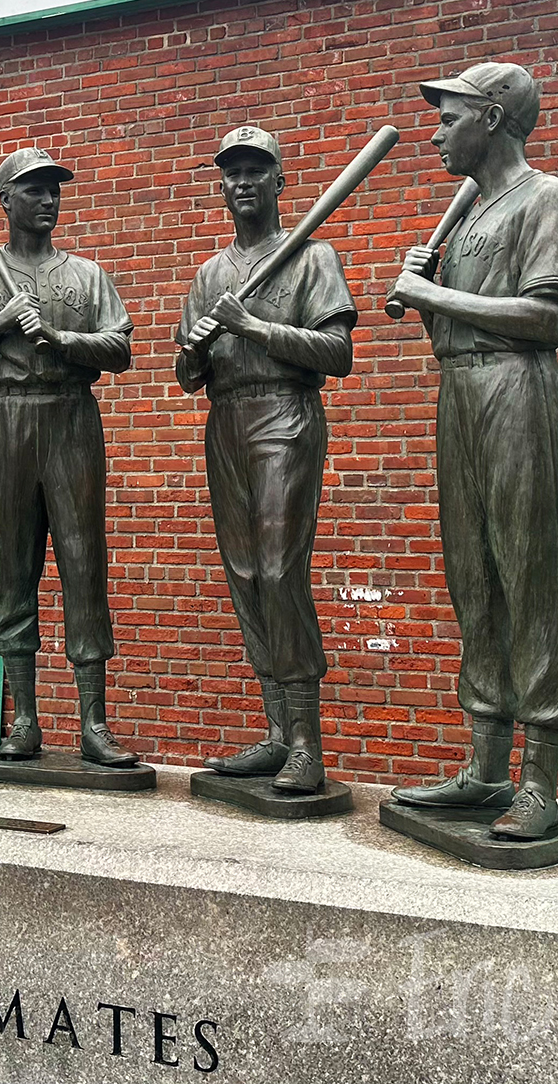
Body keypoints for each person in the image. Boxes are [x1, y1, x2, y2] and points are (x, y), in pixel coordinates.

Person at [387, 60, 558, 841]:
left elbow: (547, 317)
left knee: (527, 573)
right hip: (459, 392)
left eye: (449, 117)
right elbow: (453, 330)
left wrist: (430, 293)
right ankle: (484, 768)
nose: (437, 132)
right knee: (471, 573)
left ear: (491, 120)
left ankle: (538, 783)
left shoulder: (546, 197)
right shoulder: (466, 218)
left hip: (519, 392)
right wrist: (427, 290)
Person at [0, 147, 136, 767]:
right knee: (12, 565)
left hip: (70, 412)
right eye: (33, 189)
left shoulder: (86, 275)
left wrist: (61, 337)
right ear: (5, 200)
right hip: (4, 417)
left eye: (53, 189)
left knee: (82, 561)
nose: (48, 199)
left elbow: (119, 348)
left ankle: (94, 723)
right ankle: (22, 719)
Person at [177, 126, 357, 795]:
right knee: (246, 572)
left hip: (286, 414)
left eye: (256, 170)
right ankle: (278, 732)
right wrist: (195, 350)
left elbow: (336, 354)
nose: (243, 182)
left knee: (281, 570)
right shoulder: (210, 273)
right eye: (232, 173)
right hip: (225, 417)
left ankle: (308, 741)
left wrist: (251, 326)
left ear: (279, 182)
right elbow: (184, 375)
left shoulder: (312, 258)